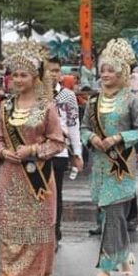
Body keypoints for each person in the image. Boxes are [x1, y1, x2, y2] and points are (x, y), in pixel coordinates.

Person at [0, 43, 64, 276]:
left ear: (35, 78)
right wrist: (2, 151)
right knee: (9, 231)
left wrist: (32, 150)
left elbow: (57, 142)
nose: (17, 80)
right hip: (10, 177)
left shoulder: (47, 107)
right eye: (14, 75)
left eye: (23, 75)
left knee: (40, 232)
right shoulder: (5, 107)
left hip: (38, 179)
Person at [82, 39, 138, 276]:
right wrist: (93, 138)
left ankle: (105, 268)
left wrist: (119, 137)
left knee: (113, 211)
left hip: (120, 164)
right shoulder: (93, 101)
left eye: (111, 71)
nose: (105, 75)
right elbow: (84, 127)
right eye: (103, 70)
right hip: (99, 164)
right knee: (110, 214)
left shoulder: (131, 100)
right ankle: (124, 257)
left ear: (122, 74)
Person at [46, 57, 83, 244]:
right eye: (49, 70)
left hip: (58, 151)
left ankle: (55, 231)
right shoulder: (32, 95)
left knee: (55, 194)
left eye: (56, 70)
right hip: (34, 153)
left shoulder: (67, 96)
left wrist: (77, 153)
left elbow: (73, 125)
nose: (53, 74)